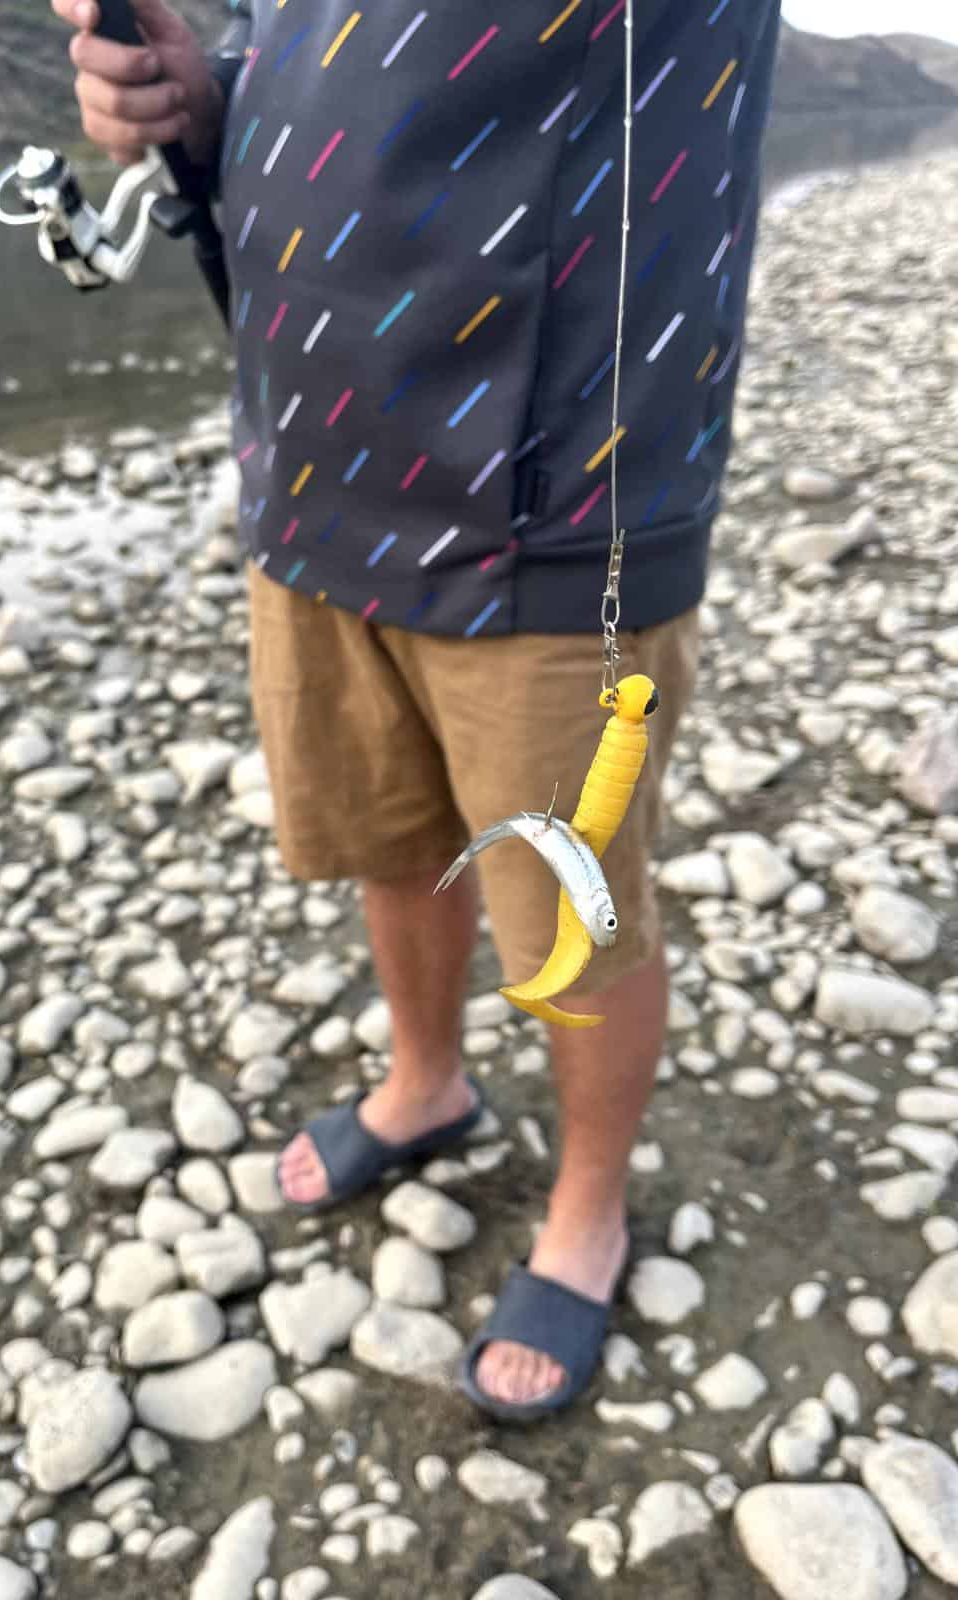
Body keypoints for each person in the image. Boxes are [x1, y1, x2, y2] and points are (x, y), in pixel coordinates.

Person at [53, 0, 782, 1422]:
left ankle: (586, 1208)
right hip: (310, 454)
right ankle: (427, 1079)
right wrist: (210, 96)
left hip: (562, 481)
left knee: (577, 912)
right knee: (390, 834)